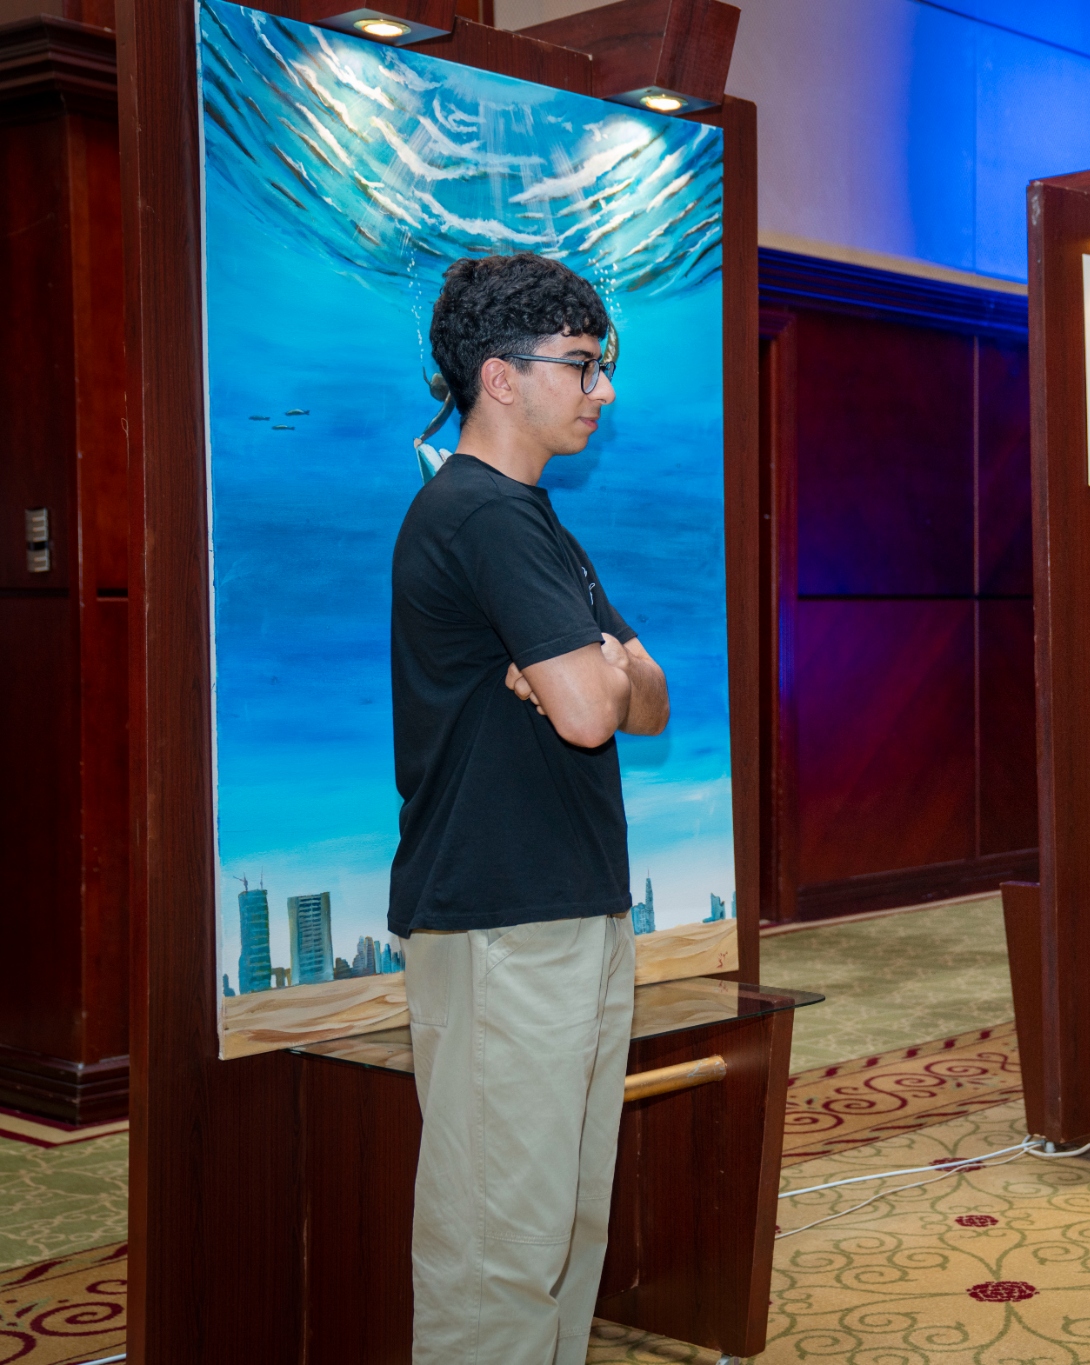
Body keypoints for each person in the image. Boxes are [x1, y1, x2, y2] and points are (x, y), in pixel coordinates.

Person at [388, 251, 670, 1365]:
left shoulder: (534, 519)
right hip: (500, 918)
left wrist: (599, 668)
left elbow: (647, 697)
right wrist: (595, 674)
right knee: (497, 1246)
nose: (602, 389)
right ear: (499, 378)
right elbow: (593, 713)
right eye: (582, 365)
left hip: (569, 910)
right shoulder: (477, 515)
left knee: (564, 1225)